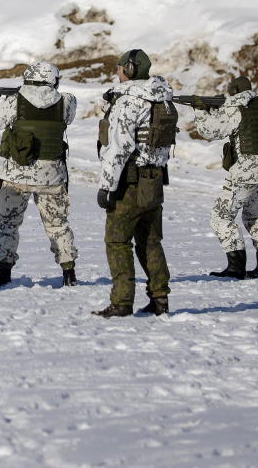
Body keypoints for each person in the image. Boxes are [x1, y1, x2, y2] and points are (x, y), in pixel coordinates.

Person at [0, 61, 79, 288]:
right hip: (52, 177)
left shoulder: (14, 101)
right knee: (58, 225)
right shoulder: (67, 102)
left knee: (8, 224)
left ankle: (3, 272)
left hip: (17, 176)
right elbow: (66, 117)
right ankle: (68, 271)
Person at [93, 49, 176, 317]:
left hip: (129, 183)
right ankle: (160, 299)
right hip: (154, 181)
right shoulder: (163, 100)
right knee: (150, 242)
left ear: (129, 69)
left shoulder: (129, 102)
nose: (117, 72)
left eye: (119, 68)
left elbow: (120, 146)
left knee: (117, 241)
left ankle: (121, 302)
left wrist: (106, 185)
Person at [195, 76, 258, 279]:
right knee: (255, 216)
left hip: (245, 172)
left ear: (233, 91)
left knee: (221, 216)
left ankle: (236, 267)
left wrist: (200, 110)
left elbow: (209, 130)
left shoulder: (237, 108)